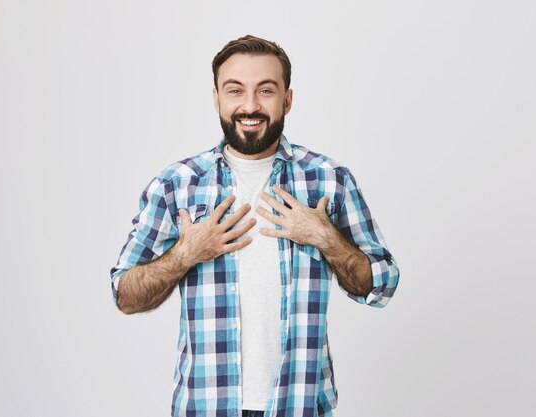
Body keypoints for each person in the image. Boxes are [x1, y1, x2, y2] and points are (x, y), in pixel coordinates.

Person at [110, 35, 400, 417]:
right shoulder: (176, 184)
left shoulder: (329, 181)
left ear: (287, 100)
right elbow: (125, 294)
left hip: (302, 405)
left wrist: (325, 237)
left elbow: (382, 285)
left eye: (266, 91)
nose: (250, 106)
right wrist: (184, 254)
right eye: (235, 91)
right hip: (206, 406)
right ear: (217, 98)